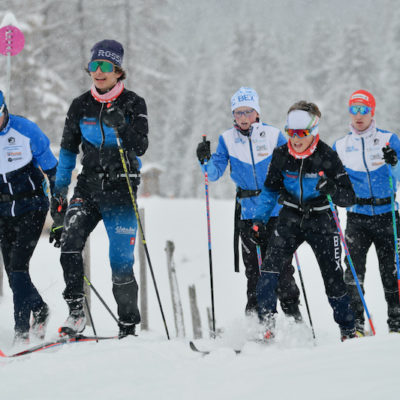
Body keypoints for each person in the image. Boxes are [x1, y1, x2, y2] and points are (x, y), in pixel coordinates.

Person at [50, 39, 148, 338]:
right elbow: (67, 153)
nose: (98, 72)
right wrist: (59, 193)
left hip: (121, 189)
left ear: (119, 71)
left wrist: (123, 127)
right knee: (70, 241)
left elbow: (141, 146)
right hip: (88, 186)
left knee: (120, 263)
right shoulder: (80, 105)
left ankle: (128, 324)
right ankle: (76, 312)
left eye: (106, 66)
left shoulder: (133, 102)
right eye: (94, 66)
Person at [253, 101, 357, 341]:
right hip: (290, 218)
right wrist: (258, 220)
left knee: (333, 279)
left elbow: (348, 196)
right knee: (268, 271)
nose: (296, 139)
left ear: (314, 131)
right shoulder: (281, 154)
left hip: (321, 220)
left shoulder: (327, 155)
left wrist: (331, 188)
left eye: (302, 133)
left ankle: (348, 330)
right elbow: (269, 191)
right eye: (291, 133)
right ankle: (266, 327)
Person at [196, 87, 302, 321]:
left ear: (257, 113)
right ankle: (260, 322)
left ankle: (294, 318)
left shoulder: (274, 135)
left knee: (282, 269)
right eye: (238, 112)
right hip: (248, 215)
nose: (243, 117)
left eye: (248, 112)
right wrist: (205, 159)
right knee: (254, 272)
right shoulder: (227, 139)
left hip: (276, 211)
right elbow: (213, 174)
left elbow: (294, 166)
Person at [333, 90, 400, 335]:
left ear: (372, 111)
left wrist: (394, 163)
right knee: (353, 272)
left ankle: (397, 323)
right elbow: (335, 181)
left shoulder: (389, 139)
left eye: (364, 110)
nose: (359, 115)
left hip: (387, 215)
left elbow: (399, 176)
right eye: (354, 109)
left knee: (392, 270)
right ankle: (356, 325)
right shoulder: (341, 146)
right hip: (357, 217)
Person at [0, 90, 56, 343]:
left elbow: (53, 170)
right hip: (3, 211)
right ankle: (40, 309)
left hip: (32, 206)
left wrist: (60, 206)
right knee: (13, 274)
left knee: (19, 267)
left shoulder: (25, 130)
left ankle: (21, 331)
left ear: (4, 111)